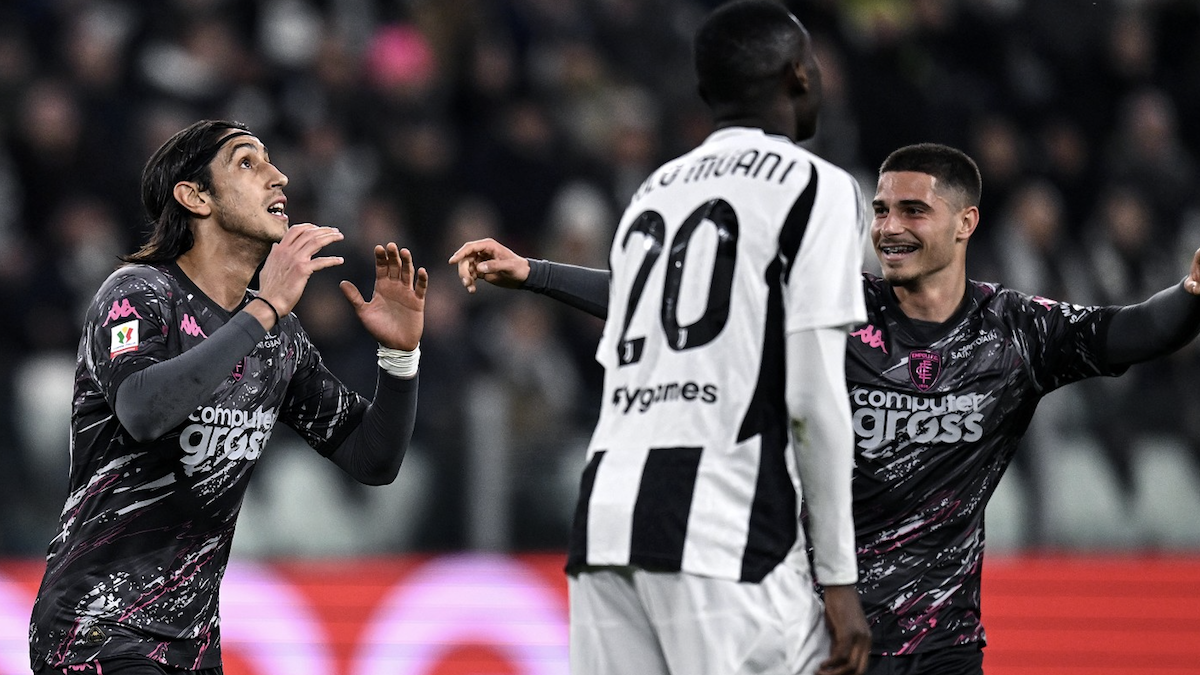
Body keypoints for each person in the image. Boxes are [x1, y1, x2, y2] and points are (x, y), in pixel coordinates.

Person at [450, 138, 1200, 674]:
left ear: (966, 222)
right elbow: (680, 302)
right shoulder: (832, 307)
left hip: (944, 645)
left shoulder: (1016, 331)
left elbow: (1131, 331)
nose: (889, 227)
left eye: (913, 210)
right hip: (823, 638)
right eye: (880, 210)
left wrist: (1192, 294)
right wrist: (535, 273)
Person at [455, 2, 872, 674]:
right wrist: (841, 577)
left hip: (607, 520)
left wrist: (536, 272)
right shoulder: (816, 187)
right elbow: (812, 398)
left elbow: (649, 305)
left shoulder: (654, 191)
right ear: (797, 74)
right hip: (724, 526)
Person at [28, 119, 428, 675]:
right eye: (246, 162)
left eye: (270, 160)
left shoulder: (279, 339)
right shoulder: (139, 293)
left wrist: (400, 358)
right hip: (96, 632)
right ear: (195, 197)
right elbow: (143, 411)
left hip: (193, 648)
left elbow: (372, 459)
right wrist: (265, 309)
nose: (278, 175)